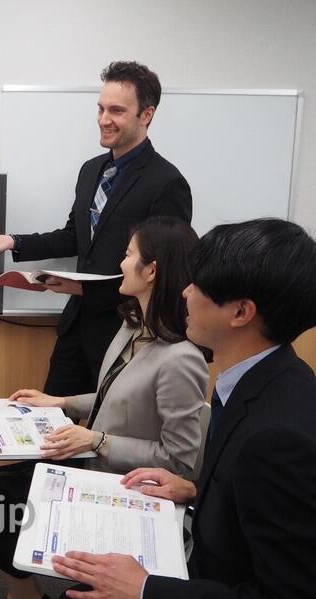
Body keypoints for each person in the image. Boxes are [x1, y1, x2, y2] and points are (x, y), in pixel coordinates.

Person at [52, 218, 316, 599]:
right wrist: (194, 491)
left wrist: (144, 588)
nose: (185, 292)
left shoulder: (278, 438)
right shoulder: (267, 379)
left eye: (199, 285)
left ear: (240, 313)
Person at [0, 217, 208, 599]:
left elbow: (179, 463)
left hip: (127, 482)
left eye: (127, 255)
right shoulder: (131, 326)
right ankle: (25, 591)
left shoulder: (180, 359)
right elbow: (115, 394)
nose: (120, 264)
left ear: (152, 270)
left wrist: (97, 439)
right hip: (97, 462)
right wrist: (59, 402)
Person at [0, 61, 192, 398]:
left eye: (116, 110)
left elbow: (165, 274)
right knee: (51, 425)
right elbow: (75, 235)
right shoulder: (91, 171)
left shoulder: (166, 182)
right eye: (100, 109)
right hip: (75, 329)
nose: (104, 119)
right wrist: (15, 241)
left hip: (127, 335)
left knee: (108, 432)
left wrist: (86, 291)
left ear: (146, 115)